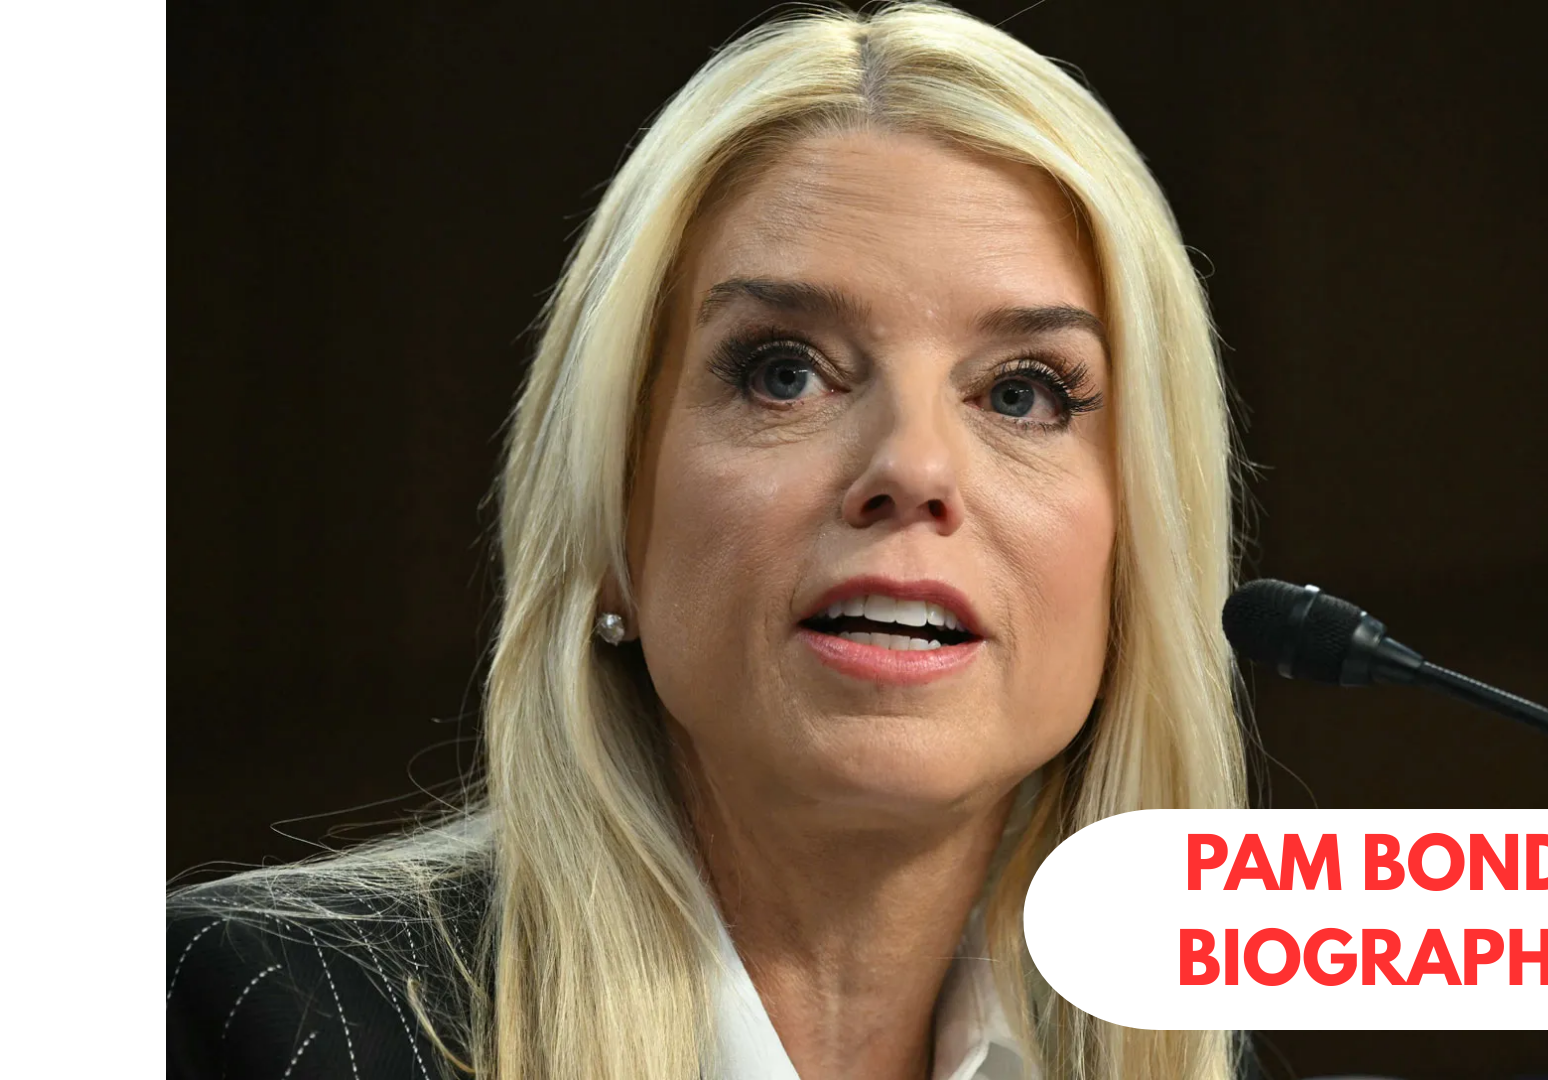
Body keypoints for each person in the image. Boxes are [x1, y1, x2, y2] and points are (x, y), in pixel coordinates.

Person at [167, 4, 1251, 1077]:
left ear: (1136, 554)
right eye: (786, 374)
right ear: (613, 508)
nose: (914, 469)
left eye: (1024, 393)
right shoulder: (229, 1024)